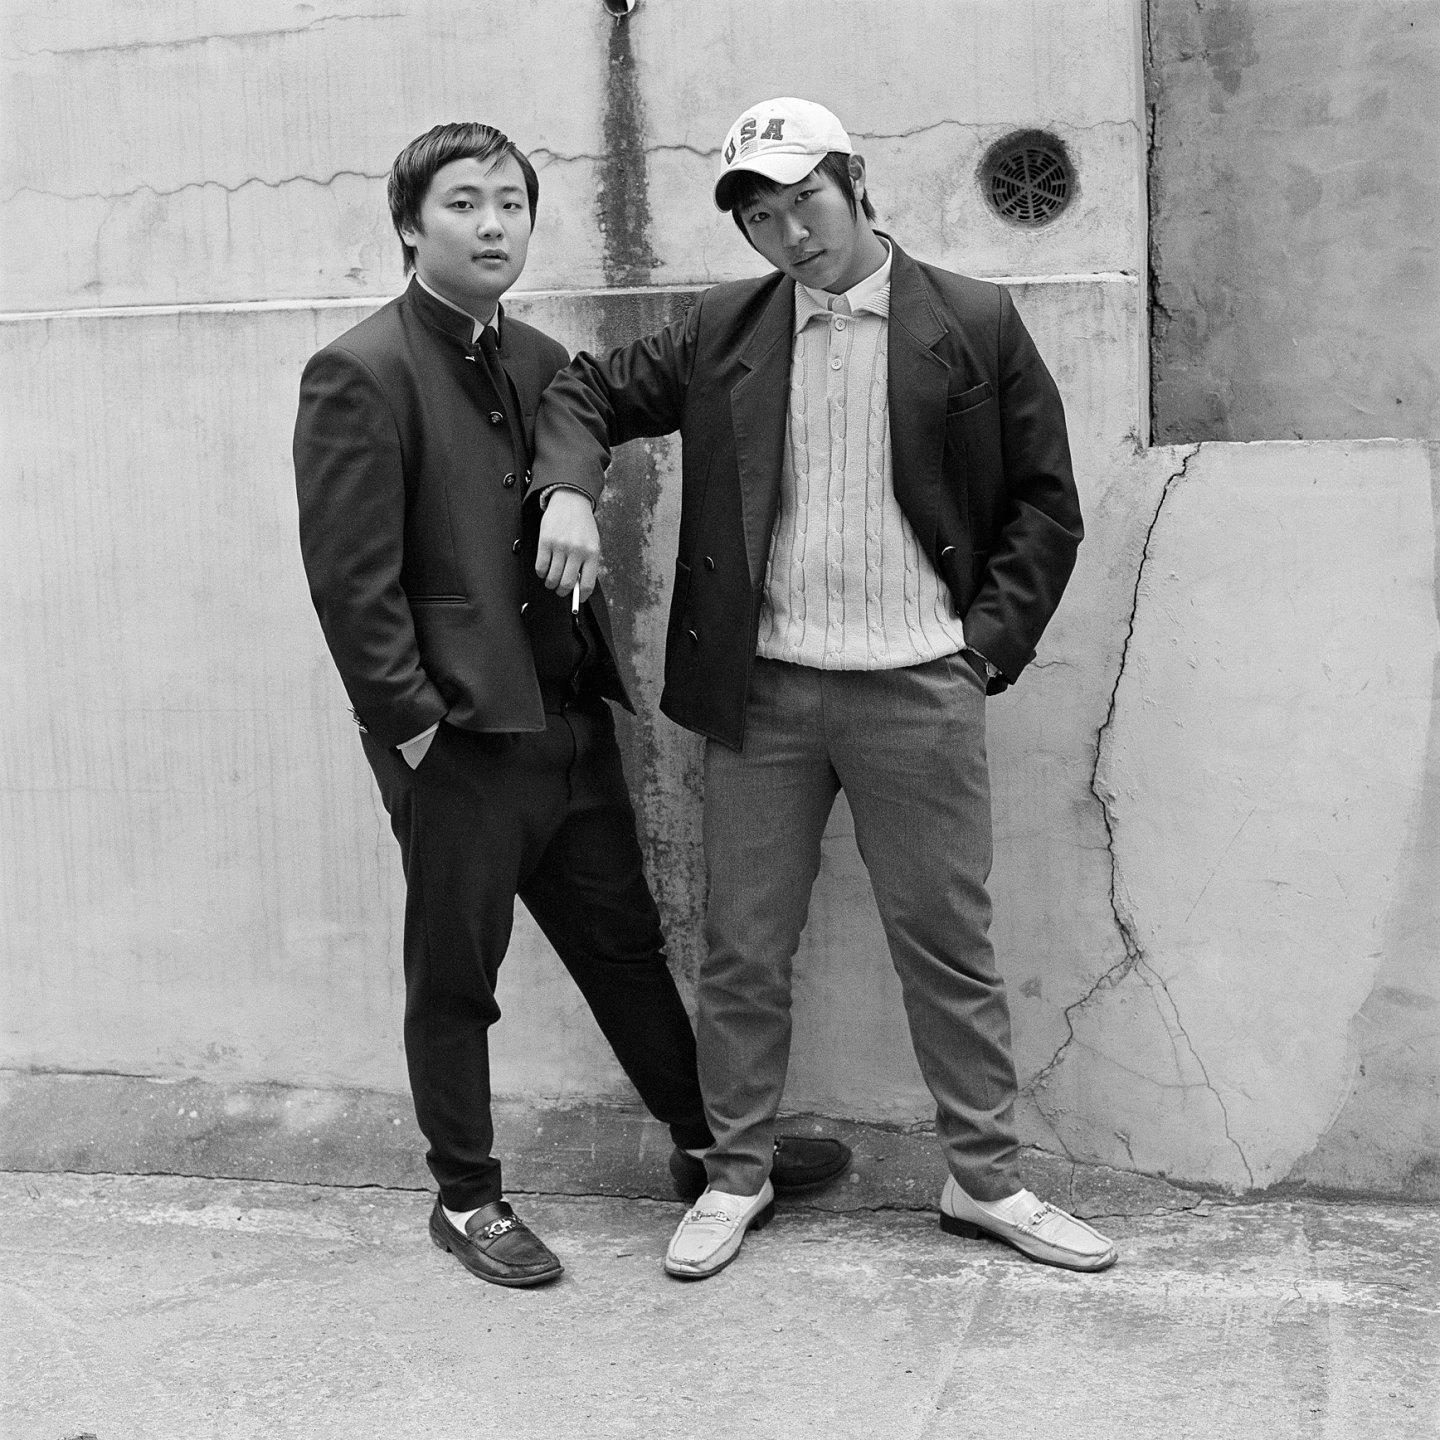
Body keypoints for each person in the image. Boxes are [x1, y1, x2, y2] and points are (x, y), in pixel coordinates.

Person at [532, 98, 1117, 1279]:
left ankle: (985, 1180)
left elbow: (1045, 507)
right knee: (744, 950)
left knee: (947, 949)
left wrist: (978, 650)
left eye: (805, 201)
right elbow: (585, 391)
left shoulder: (973, 321)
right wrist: (569, 492)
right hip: (765, 696)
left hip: (919, 688)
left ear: (855, 181)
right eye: (761, 217)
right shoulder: (725, 329)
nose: (791, 234)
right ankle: (733, 1173)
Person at [293, 122, 849, 1289]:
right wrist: (415, 728)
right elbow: (352, 584)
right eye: (464, 203)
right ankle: (466, 1197)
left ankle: (710, 1151)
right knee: (457, 978)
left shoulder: (543, 357)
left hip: (567, 723)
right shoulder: (361, 371)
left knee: (627, 950)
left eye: (511, 203)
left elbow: (577, 452)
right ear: (410, 226)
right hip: (458, 744)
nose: (493, 224)